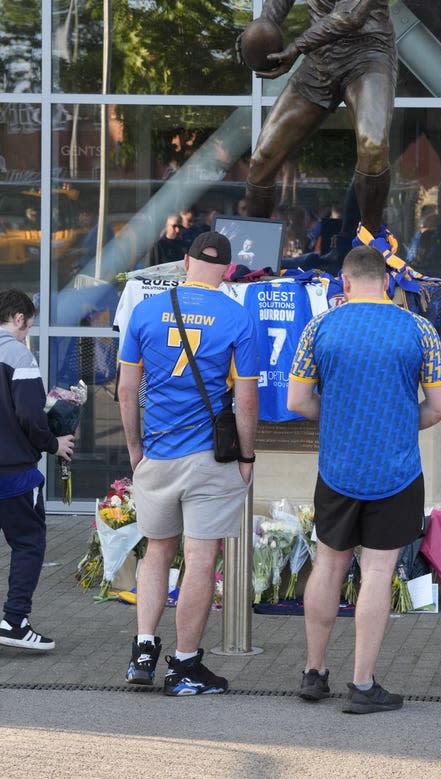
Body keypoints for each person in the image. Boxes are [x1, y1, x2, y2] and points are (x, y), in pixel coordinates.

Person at [287, 246, 441, 713]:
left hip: (337, 469)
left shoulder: (320, 327)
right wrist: (401, 423)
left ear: (345, 279)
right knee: (377, 573)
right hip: (396, 471)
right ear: (387, 281)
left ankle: (314, 672)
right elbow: (439, 407)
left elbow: (298, 401)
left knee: (328, 566)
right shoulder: (419, 329)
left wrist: (336, 417)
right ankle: (362, 685)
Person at [118, 232, 260, 696]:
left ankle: (142, 650)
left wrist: (134, 448)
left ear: (185, 262)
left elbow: (125, 390)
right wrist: (247, 455)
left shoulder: (145, 311)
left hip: (156, 454)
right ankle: (183, 666)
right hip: (209, 459)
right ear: (228, 270)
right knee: (200, 559)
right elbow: (245, 398)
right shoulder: (238, 316)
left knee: (156, 550)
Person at [242, 0, 397, 237]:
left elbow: (348, 16)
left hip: (367, 55)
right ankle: (253, 254)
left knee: (374, 142)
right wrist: (264, 27)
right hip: (321, 58)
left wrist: (293, 49)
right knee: (261, 156)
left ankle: (371, 242)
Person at [0, 289, 75, 651]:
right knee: (29, 543)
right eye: (29, 325)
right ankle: (14, 622)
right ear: (18, 318)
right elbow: (31, 416)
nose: (28, 331)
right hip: (13, 471)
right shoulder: (18, 354)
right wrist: (54, 444)